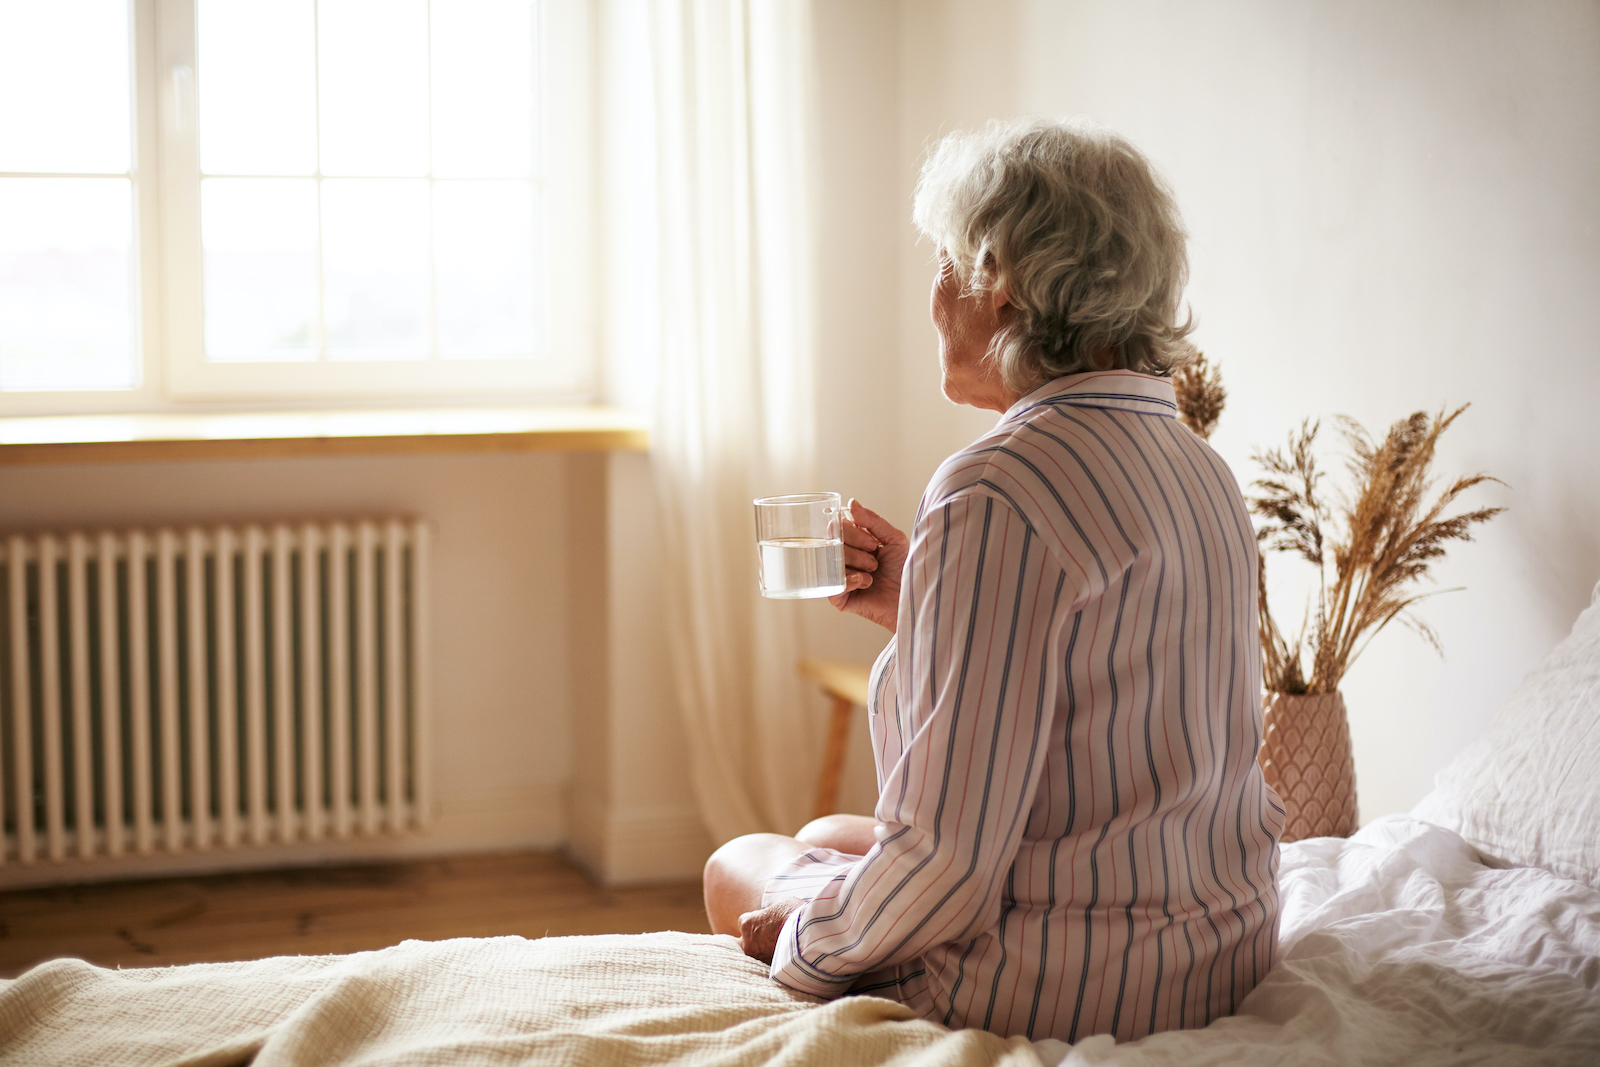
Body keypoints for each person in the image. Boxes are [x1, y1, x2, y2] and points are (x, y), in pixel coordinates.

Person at [703, 117, 1284, 1044]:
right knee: (829, 827)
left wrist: (802, 942)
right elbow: (1107, 679)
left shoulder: (997, 486)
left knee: (741, 860)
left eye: (943, 261)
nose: (933, 294)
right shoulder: (1197, 463)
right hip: (1220, 945)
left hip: (1077, 979)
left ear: (997, 277)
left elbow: (947, 856)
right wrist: (920, 602)